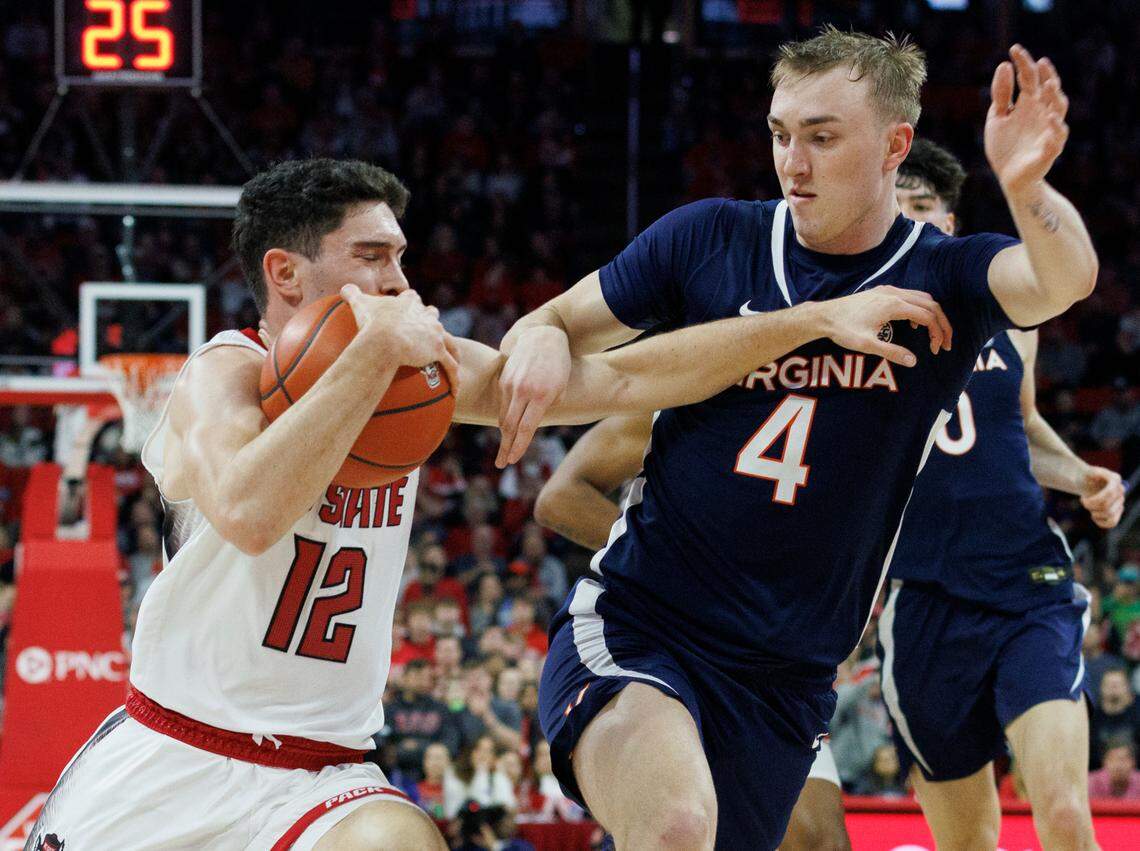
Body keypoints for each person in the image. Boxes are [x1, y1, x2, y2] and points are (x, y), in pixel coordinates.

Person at [28, 157, 940, 850]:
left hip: (321, 774)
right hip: (178, 749)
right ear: (287, 273)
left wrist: (805, 322)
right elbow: (249, 509)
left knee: (402, 843)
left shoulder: (418, 371)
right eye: (371, 258)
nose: (399, 283)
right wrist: (369, 354)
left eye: (401, 258)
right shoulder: (222, 373)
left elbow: (623, 379)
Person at [502, 28, 1100, 849]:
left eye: (821, 137)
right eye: (781, 134)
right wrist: (540, 332)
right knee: (675, 825)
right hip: (649, 623)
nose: (793, 162)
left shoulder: (945, 278)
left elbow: (1063, 280)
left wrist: (1028, 188)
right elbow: (556, 321)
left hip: (787, 675)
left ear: (894, 146)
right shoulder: (710, 238)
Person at [878, 138, 1124, 851]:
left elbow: (1022, 425)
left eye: (923, 205)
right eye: (896, 207)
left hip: (1027, 587)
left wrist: (1079, 474)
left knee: (1066, 813)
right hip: (925, 600)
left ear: (949, 221)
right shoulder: (853, 326)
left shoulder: (1008, 317)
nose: (910, 219)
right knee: (968, 842)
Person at [534, 412, 850, 851]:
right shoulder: (700, 386)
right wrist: (682, 553)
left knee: (821, 841)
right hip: (666, 633)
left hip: (777, 666)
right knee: (672, 824)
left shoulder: (870, 410)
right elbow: (560, 495)